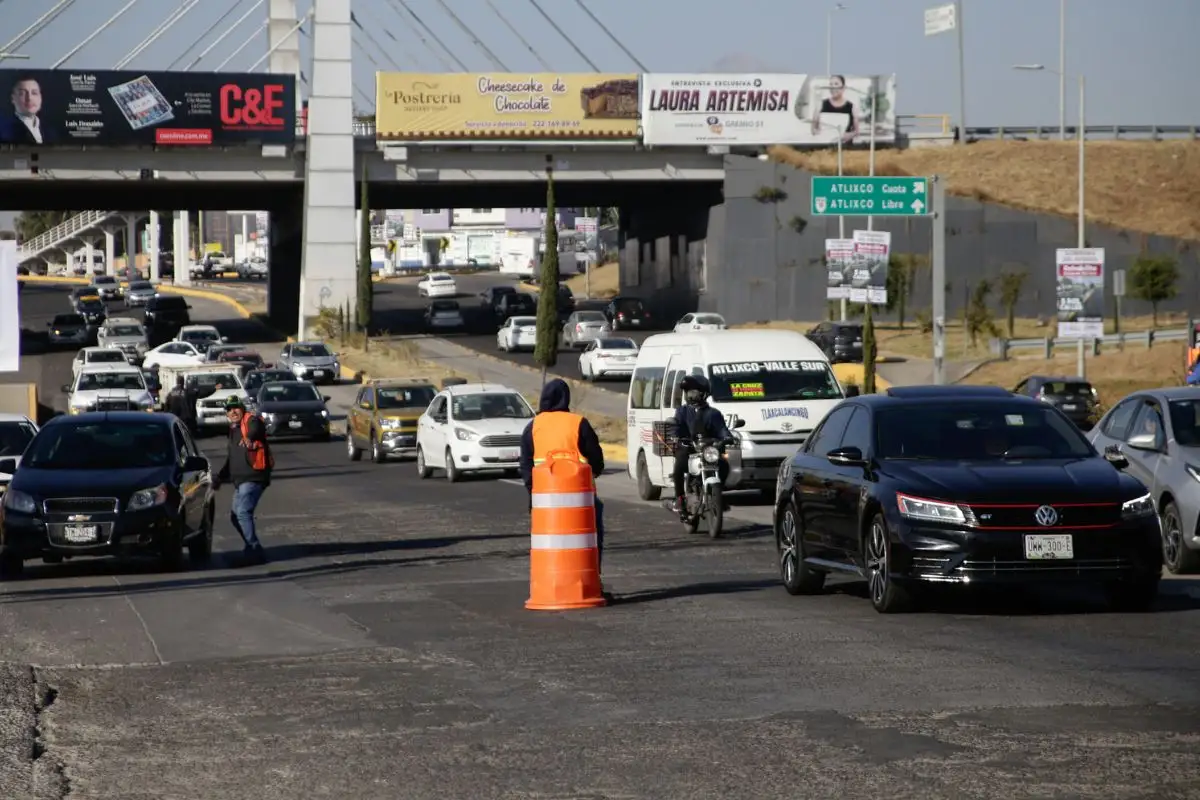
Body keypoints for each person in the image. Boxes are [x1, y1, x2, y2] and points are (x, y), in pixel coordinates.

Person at [518, 378, 607, 568]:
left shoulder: (533, 427)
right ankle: (592, 580)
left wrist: (533, 493)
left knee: (546, 544)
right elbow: (597, 458)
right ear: (566, 398)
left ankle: (549, 581)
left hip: (544, 500)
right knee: (590, 539)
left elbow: (525, 465)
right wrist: (593, 474)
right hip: (580, 499)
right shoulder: (579, 423)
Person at [213, 395, 272, 565]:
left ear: (242, 408)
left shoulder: (250, 421)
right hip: (240, 480)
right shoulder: (233, 431)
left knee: (243, 512)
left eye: (236, 407)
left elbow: (258, 428)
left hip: (254, 477)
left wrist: (250, 437)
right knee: (234, 515)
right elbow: (232, 459)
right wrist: (220, 477)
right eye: (229, 409)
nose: (233, 411)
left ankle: (254, 549)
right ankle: (250, 546)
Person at [670, 375, 734, 519]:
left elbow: (722, 429)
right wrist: (676, 436)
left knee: (724, 465)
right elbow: (677, 425)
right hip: (689, 448)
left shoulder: (713, 414)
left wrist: (727, 437)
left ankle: (717, 496)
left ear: (704, 394)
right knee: (679, 465)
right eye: (688, 392)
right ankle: (679, 499)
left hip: (708, 450)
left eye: (693, 392)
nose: (690, 395)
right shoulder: (682, 411)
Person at [0, 76, 54, 145]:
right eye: (22, 93)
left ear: (41, 97)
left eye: (34, 93)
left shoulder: (50, 131)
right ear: (12, 98)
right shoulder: (5, 131)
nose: (29, 98)